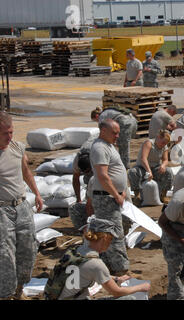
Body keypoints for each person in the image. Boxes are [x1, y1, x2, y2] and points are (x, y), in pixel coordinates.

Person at [45, 217, 151, 300]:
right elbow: (116, 292)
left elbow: (86, 272)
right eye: (110, 239)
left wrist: (116, 279)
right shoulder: (96, 263)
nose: (110, 244)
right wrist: (141, 287)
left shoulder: (75, 251)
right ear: (105, 238)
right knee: (130, 299)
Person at [0, 112, 44, 300]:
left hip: (21, 206)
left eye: (11, 132)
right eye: (5, 133)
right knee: (5, 253)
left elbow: (26, 171)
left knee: (28, 247)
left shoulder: (17, 148)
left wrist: (37, 193)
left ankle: (19, 288)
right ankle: (6, 293)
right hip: (2, 211)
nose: (9, 137)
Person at [90, 119, 130, 275]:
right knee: (114, 234)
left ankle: (109, 265)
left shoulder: (110, 146)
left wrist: (122, 191)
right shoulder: (100, 147)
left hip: (113, 196)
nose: (117, 136)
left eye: (118, 132)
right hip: (106, 198)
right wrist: (116, 194)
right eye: (114, 133)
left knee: (109, 233)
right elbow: (102, 176)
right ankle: (121, 269)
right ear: (103, 131)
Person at [128, 130, 173, 203]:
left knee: (168, 171)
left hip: (155, 168)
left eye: (165, 143)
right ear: (158, 137)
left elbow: (165, 160)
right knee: (133, 172)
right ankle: (137, 196)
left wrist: (163, 165)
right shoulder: (148, 143)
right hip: (142, 168)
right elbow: (143, 158)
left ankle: (163, 195)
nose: (163, 145)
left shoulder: (164, 147)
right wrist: (148, 171)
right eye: (163, 142)